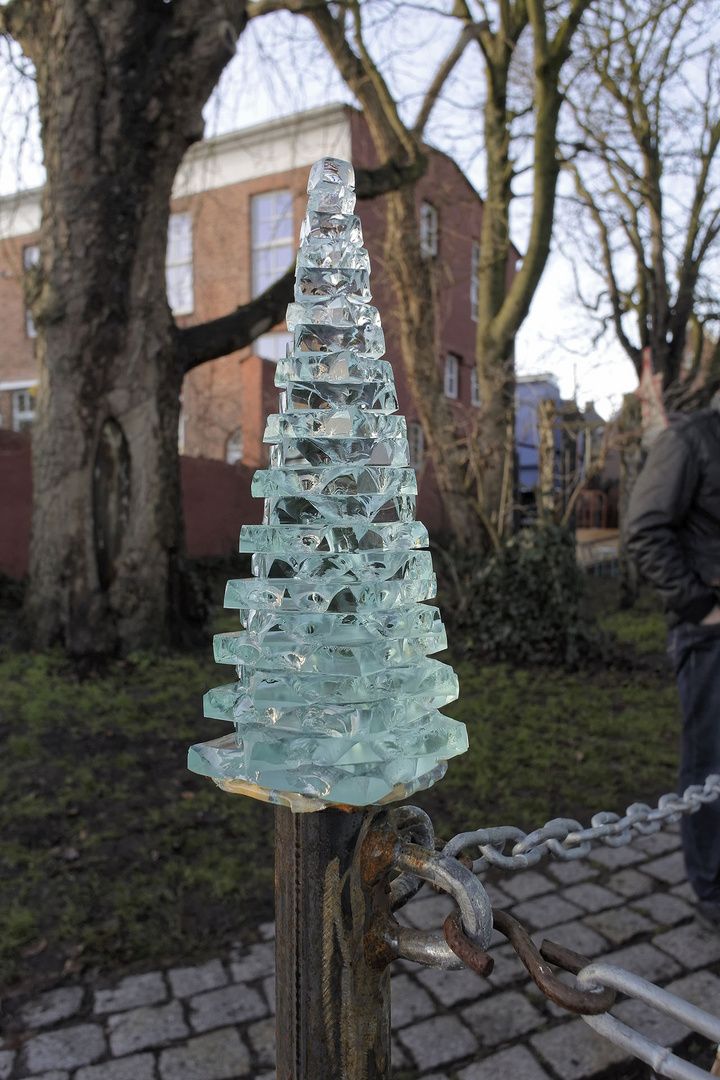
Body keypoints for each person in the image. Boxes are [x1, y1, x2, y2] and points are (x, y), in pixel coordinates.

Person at [626, 398, 720, 926]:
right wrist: (700, 608)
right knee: (709, 763)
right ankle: (712, 889)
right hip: (709, 633)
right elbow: (645, 529)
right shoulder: (689, 440)